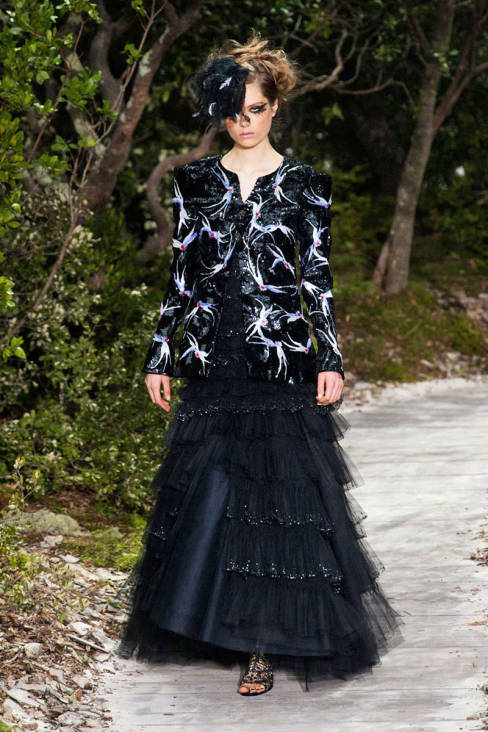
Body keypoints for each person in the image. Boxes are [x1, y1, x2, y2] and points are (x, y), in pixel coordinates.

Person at [116, 31, 404, 696]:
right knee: (214, 497)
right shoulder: (195, 182)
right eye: (232, 111)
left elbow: (317, 280)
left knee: (276, 502)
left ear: (275, 107)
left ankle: (264, 645)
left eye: (255, 109)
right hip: (211, 359)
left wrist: (330, 357)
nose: (243, 122)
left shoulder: (305, 186)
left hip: (281, 362)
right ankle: (226, 628)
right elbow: (182, 278)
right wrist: (160, 354)